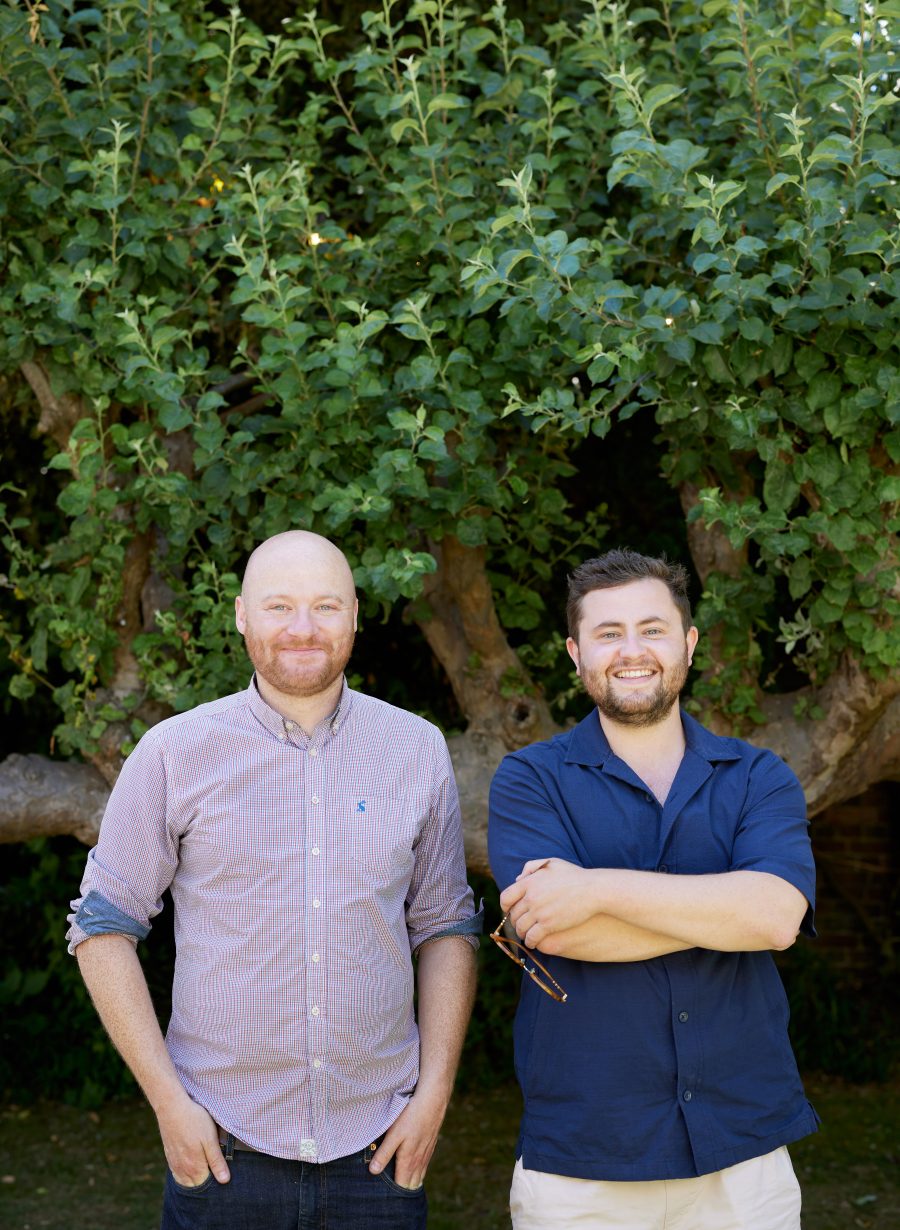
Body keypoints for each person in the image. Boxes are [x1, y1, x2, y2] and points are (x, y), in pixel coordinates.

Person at [68, 530, 480, 1230]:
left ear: (354, 615)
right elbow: (102, 926)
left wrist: (436, 1092)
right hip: (225, 1153)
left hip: (377, 1155)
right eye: (278, 606)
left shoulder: (416, 750)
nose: (302, 629)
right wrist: (170, 1104)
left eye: (324, 607)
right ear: (240, 615)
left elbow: (444, 925)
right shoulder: (175, 752)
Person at [488, 549, 817, 1230]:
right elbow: (553, 930)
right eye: (608, 634)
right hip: (582, 1165)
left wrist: (596, 887)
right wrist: (718, 907)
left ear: (688, 644)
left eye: (653, 628)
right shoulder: (528, 780)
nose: (631, 650)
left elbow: (776, 917)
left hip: (743, 1159)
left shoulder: (759, 777)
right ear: (576, 653)